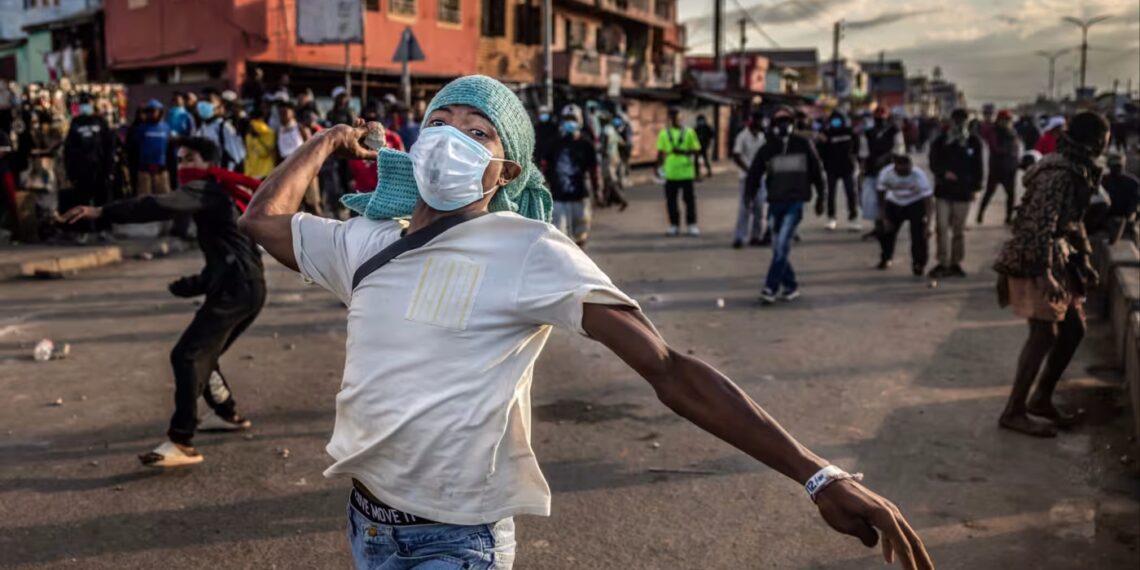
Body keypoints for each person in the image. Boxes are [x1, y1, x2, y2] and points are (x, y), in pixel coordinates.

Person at [236, 73, 932, 570]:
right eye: (441, 123)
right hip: (368, 526)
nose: (452, 138)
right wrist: (328, 140)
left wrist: (817, 474)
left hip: (455, 544)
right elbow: (263, 218)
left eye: (477, 132)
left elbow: (665, 366)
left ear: (500, 170)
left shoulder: (528, 248)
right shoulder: (367, 242)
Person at [61, 137, 265, 465]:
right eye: (180, 159)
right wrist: (192, 284)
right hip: (244, 286)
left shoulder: (206, 189)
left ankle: (181, 440)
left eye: (190, 158)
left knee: (186, 355)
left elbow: (156, 205)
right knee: (204, 355)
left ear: (207, 162)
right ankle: (227, 413)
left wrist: (102, 210)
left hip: (236, 289)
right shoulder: (217, 192)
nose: (183, 165)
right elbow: (228, 253)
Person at [993, 112, 1110, 438]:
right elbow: (1038, 227)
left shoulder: (1076, 168)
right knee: (1044, 334)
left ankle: (1041, 398)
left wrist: (1084, 258)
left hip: (1058, 256)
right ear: (1099, 141)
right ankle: (1014, 411)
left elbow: (1072, 221)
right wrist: (1045, 274)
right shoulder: (1059, 173)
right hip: (1036, 259)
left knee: (1073, 329)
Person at [745, 106, 826, 304]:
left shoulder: (803, 144)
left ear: (793, 123)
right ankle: (790, 285)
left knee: (782, 244)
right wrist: (749, 196)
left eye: (787, 122)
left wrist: (821, 198)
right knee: (777, 247)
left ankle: (770, 287)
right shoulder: (768, 148)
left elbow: (817, 172)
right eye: (780, 122)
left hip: (796, 201)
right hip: (775, 202)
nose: (784, 125)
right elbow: (754, 174)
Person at [927, 108, 983, 278]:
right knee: (941, 228)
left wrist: (976, 188)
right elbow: (933, 162)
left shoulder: (973, 142)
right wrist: (943, 173)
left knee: (958, 230)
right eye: (957, 119)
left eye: (963, 119)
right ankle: (942, 262)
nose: (959, 123)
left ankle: (955, 262)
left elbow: (978, 168)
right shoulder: (941, 141)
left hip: (963, 192)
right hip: (943, 191)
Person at [63, 92, 115, 242]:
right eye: (82, 103)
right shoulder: (76, 123)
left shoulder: (100, 121)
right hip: (82, 171)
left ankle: (104, 230)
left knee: (103, 201)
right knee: (81, 201)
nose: (85, 106)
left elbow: (109, 147)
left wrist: (110, 170)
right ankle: (83, 231)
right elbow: (69, 149)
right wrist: (70, 171)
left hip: (100, 169)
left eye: (87, 102)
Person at [543, 110, 599, 247]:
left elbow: (594, 170)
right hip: (558, 198)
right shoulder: (555, 143)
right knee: (558, 236)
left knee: (581, 235)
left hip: (580, 198)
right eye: (567, 119)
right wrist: (548, 183)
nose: (569, 123)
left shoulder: (586, 145)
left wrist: (597, 190)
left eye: (572, 119)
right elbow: (544, 164)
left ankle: (579, 261)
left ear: (579, 122)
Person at [876, 154, 933, 276]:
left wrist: (928, 224)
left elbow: (928, 201)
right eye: (902, 171)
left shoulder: (919, 175)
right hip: (894, 202)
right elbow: (880, 196)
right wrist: (884, 218)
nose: (906, 173)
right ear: (895, 167)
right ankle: (886, 257)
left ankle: (919, 263)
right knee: (885, 231)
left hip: (915, 203)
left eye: (908, 170)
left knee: (918, 235)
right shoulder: (886, 173)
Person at [656, 107, 702, 237]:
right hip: (670, 172)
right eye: (675, 118)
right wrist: (658, 168)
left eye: (680, 118)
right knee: (671, 200)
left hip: (686, 172)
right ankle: (674, 225)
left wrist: (697, 171)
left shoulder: (689, 132)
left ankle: (692, 224)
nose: (678, 120)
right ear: (670, 119)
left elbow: (696, 150)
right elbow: (660, 152)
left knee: (689, 200)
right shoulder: (664, 134)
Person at [860, 107, 903, 234]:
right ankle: (879, 226)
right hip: (872, 169)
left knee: (888, 198)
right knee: (873, 200)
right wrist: (863, 169)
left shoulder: (894, 131)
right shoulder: (868, 132)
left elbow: (899, 150)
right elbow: (864, 152)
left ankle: (887, 225)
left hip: (889, 169)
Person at [276, 101, 322, 216]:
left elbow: (312, 149)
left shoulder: (300, 128)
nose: (283, 115)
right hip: (287, 172)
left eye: (285, 112)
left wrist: (313, 170)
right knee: (293, 207)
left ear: (292, 114)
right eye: (280, 113)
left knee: (314, 205)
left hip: (305, 170)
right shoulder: (279, 131)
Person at [976, 110, 1021, 225]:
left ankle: (1008, 217)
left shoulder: (1012, 132)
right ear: (999, 120)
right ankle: (980, 214)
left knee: (1011, 194)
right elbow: (994, 147)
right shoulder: (994, 131)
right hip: (997, 167)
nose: (1006, 122)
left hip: (1010, 168)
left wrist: (1016, 161)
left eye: (1008, 120)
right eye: (1005, 120)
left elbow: (1016, 149)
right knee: (989, 192)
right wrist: (1008, 152)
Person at [731, 110, 766, 248]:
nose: (758, 123)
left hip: (760, 178)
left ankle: (755, 236)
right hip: (746, 177)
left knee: (759, 207)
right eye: (756, 120)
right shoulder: (742, 136)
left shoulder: (762, 136)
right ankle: (739, 237)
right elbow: (736, 155)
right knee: (745, 208)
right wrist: (749, 170)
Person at [819, 110, 859, 230]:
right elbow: (820, 151)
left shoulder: (849, 132)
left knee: (851, 193)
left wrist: (854, 159)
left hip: (847, 167)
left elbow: (856, 147)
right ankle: (831, 218)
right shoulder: (826, 133)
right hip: (831, 168)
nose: (836, 123)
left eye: (838, 120)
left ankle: (853, 218)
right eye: (834, 121)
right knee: (831, 194)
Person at [194, 94, 245, 171]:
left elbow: (237, 156)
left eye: (208, 101)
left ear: (219, 107)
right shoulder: (201, 129)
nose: (203, 104)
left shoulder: (224, 127)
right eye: (201, 101)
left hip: (224, 174)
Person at [134, 99, 172, 196]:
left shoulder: (166, 127)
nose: (152, 114)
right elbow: (137, 143)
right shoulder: (142, 127)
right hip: (144, 167)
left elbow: (168, 145)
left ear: (160, 112)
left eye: (154, 111)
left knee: (163, 195)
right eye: (149, 111)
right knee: (144, 195)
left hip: (161, 167)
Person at [1101, 152, 1140, 243]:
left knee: (1134, 233)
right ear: (1109, 166)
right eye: (1114, 165)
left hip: (1126, 219)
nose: (1117, 168)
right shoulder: (1103, 181)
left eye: (1119, 166)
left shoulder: (1133, 183)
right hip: (1106, 219)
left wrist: (1131, 216)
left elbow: (1135, 202)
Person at [598, 111, 629, 210]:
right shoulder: (613, 130)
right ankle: (607, 200)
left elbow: (604, 147)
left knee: (611, 180)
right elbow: (622, 143)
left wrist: (599, 150)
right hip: (616, 157)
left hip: (608, 158)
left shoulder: (605, 131)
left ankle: (622, 200)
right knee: (608, 180)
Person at [243, 105, 277, 179]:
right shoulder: (269, 133)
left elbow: (263, 152)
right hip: (262, 172)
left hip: (258, 173)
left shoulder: (250, 135)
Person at [694, 113, 715, 178]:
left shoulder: (707, 127)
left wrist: (707, 140)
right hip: (698, 146)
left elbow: (712, 134)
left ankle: (709, 171)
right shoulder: (697, 128)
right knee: (697, 160)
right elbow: (694, 136)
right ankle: (697, 173)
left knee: (705, 159)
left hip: (704, 145)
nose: (701, 122)